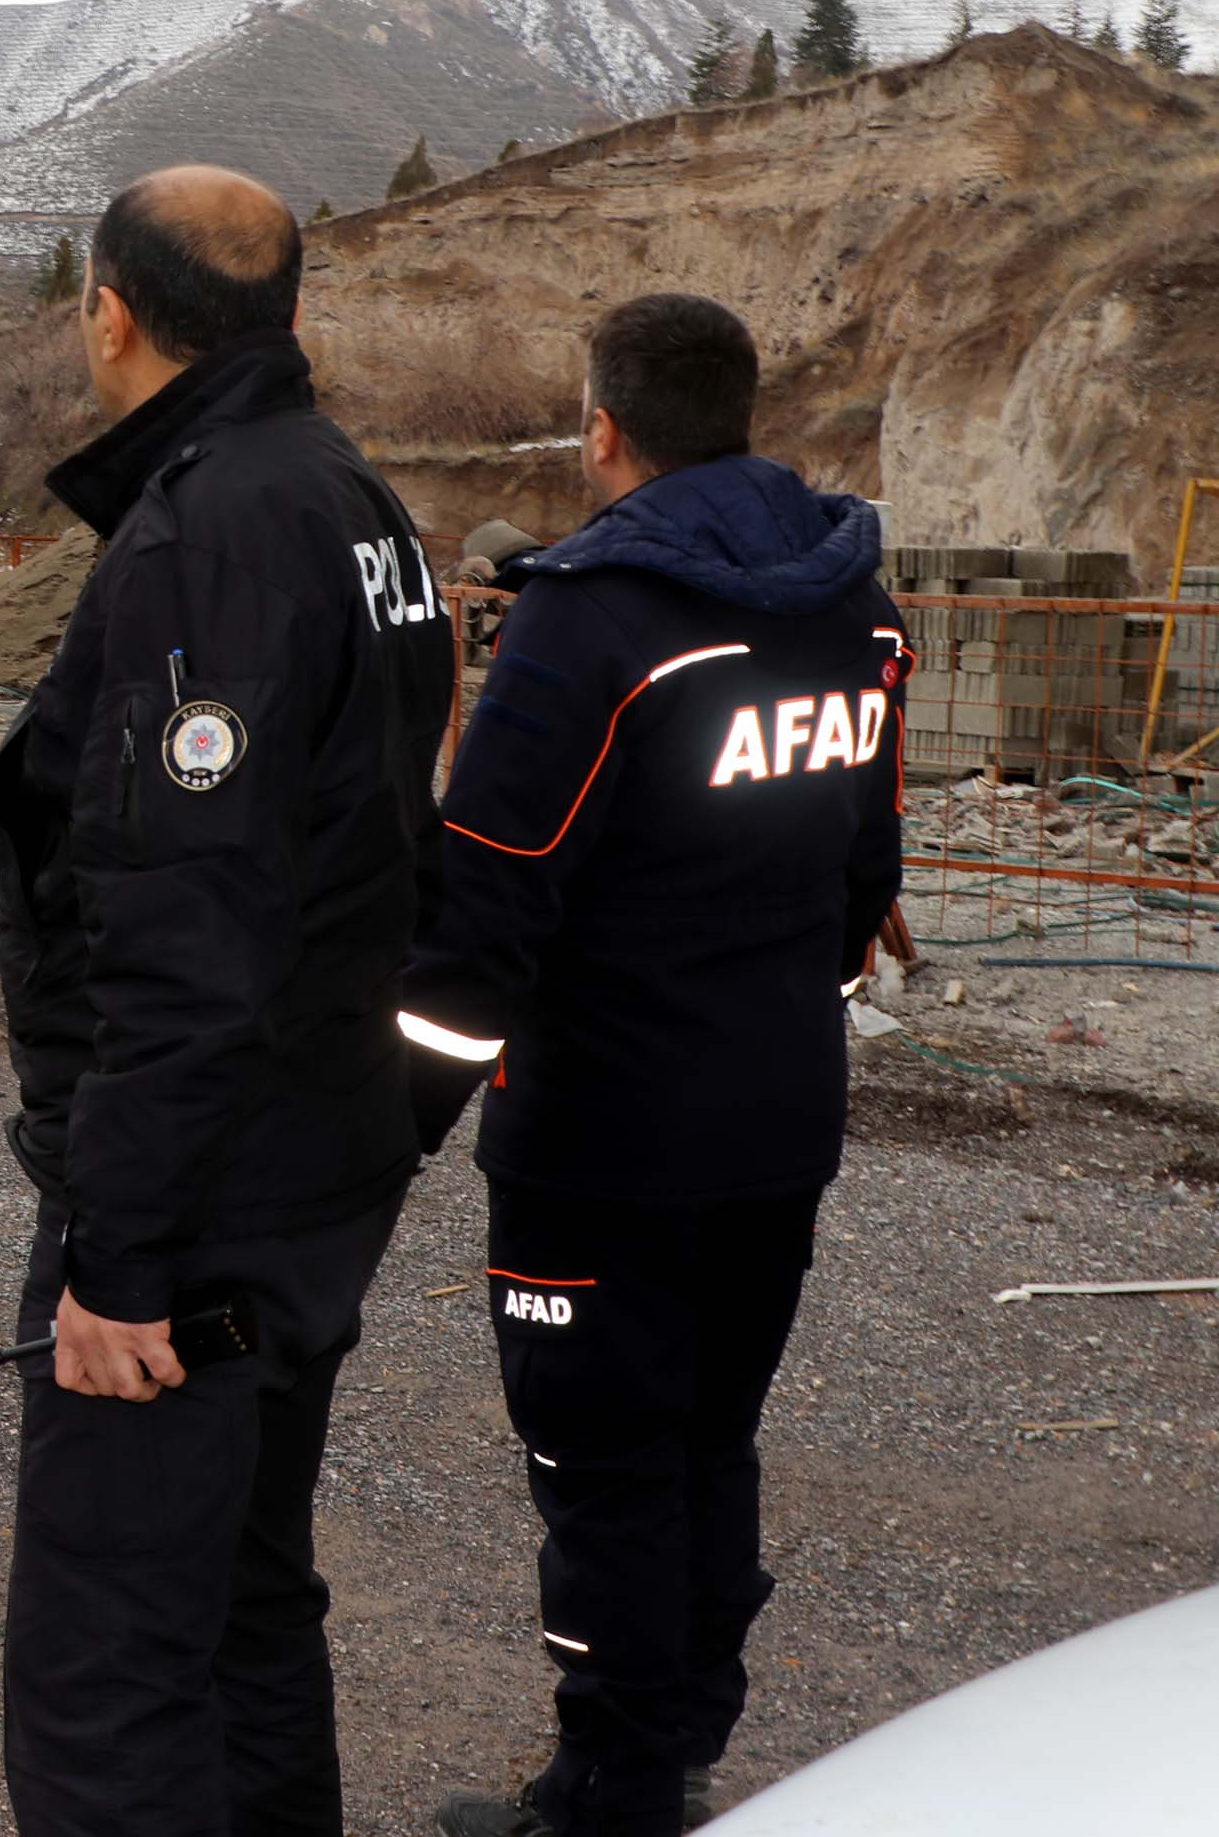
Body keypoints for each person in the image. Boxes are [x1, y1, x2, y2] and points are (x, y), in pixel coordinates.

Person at [0, 164, 457, 1836]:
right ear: (291, 318)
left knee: (110, 1663)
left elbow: (188, 927)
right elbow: (408, 851)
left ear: (108, 315)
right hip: (309, 1166)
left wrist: (122, 1266)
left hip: (206, 1214)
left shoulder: (214, 532)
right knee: (246, 1599)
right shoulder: (356, 502)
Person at [401, 295, 910, 1837]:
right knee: (710, 1432)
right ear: (741, 415)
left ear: (600, 427)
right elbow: (862, 861)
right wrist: (785, 1014)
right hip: (779, 1117)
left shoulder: (595, 617)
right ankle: (678, 1742)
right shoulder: (857, 608)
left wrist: (383, 1127)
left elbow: (487, 894)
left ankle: (610, 1793)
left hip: (606, 1140)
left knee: (603, 1458)